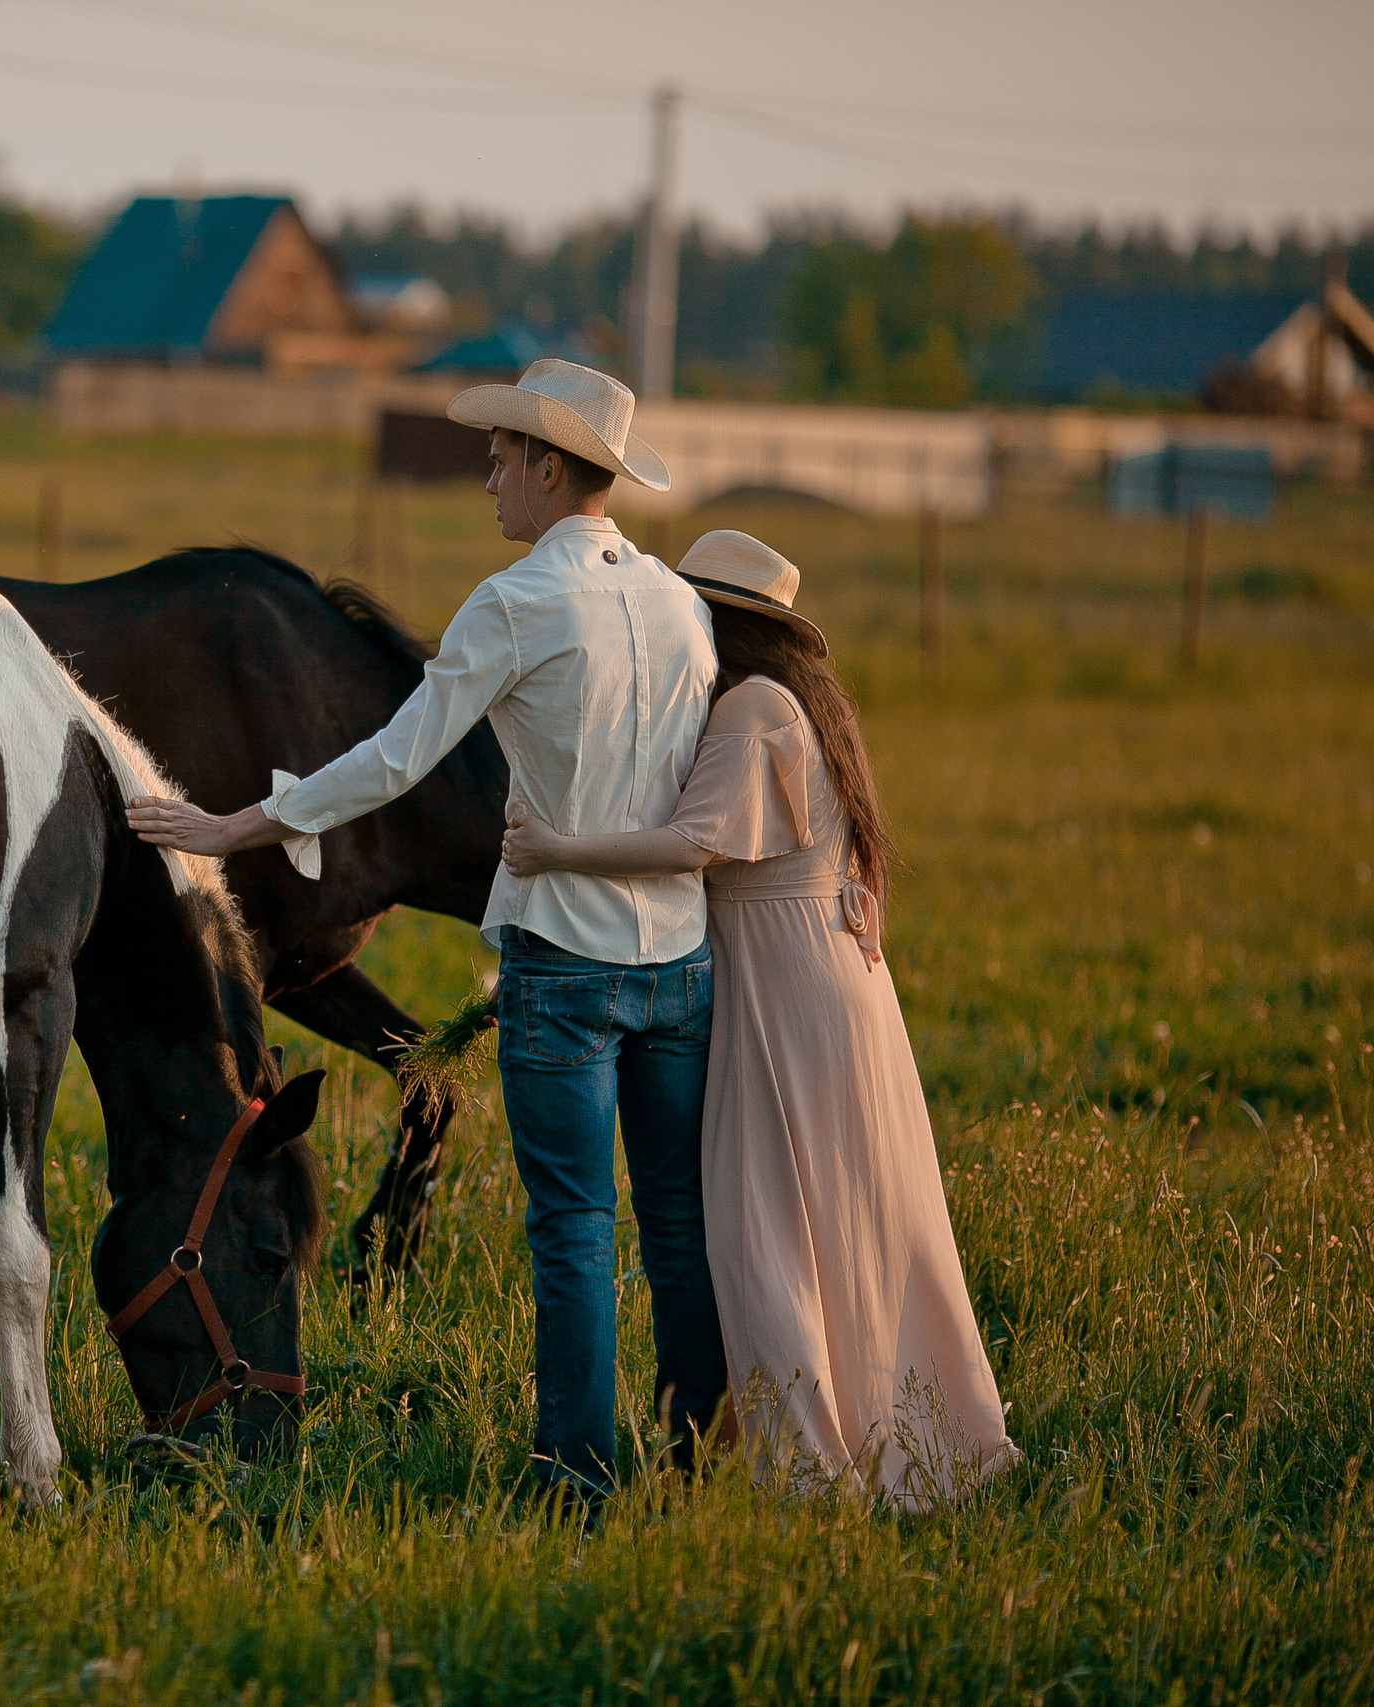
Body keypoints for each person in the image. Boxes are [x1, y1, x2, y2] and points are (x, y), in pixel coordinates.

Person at [127, 359, 727, 1508]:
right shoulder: (680, 602)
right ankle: (698, 1461)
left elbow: (394, 761)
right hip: (680, 962)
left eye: (500, 459)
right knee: (676, 1221)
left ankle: (576, 1480)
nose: (488, 479)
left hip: (564, 962)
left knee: (573, 1230)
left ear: (548, 467)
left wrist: (231, 825)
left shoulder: (513, 603)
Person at [501, 530, 1021, 1509]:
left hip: (782, 989)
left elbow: (692, 842)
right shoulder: (806, 705)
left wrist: (556, 852)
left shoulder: (750, 709)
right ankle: (889, 1431)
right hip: (821, 975)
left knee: (761, 1231)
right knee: (839, 1218)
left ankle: (805, 1468)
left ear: (717, 625)